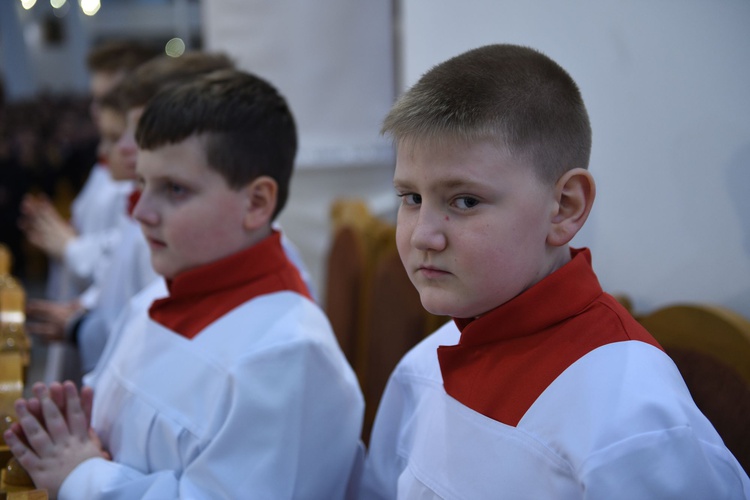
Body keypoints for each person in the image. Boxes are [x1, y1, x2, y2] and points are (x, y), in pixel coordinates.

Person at [359, 44, 750, 499]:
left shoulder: (630, 419)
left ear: (565, 207)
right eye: (411, 198)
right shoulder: (426, 364)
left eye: (465, 201)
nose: (423, 235)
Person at [5, 68, 364, 499]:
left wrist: (83, 476)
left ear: (256, 202)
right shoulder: (157, 296)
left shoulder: (287, 355)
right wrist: (75, 432)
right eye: (142, 183)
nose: (141, 212)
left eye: (174, 189)